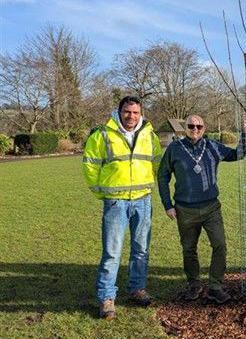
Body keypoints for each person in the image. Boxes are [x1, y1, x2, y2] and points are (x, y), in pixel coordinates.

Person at [82, 96, 162, 320]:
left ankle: (137, 288)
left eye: (136, 112)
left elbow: (157, 163)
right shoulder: (102, 134)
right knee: (112, 252)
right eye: (127, 112)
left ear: (141, 113)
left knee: (141, 250)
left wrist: (148, 188)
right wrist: (102, 192)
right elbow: (90, 165)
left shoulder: (149, 135)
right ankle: (107, 298)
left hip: (143, 201)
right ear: (119, 112)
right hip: (116, 202)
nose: (131, 116)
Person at [157, 114, 246, 304]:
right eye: (191, 126)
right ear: (185, 128)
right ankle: (194, 284)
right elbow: (162, 176)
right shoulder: (175, 149)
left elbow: (238, 154)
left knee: (220, 245)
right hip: (185, 210)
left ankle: (215, 286)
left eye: (199, 126)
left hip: (211, 208)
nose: (195, 129)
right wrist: (168, 205)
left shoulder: (212, 146)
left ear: (204, 128)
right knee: (189, 249)